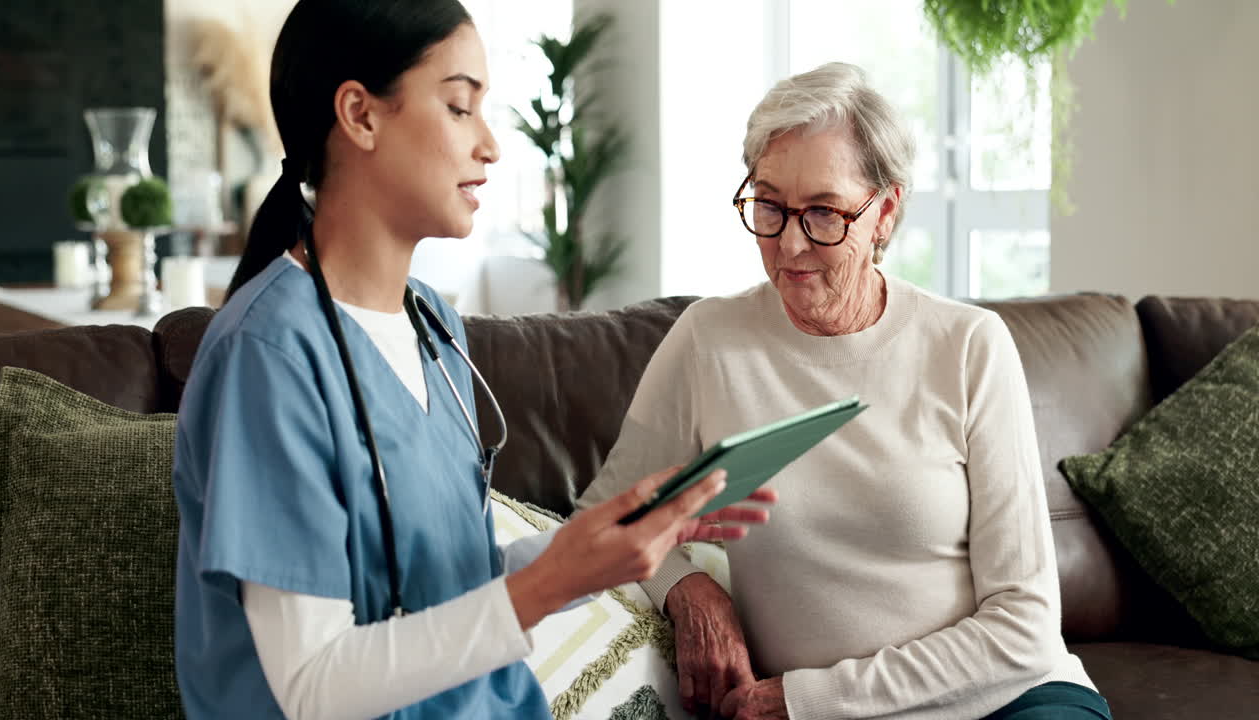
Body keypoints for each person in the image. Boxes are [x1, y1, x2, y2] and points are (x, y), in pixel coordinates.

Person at [171, 2, 772, 718]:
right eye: (460, 106)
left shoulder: (433, 325)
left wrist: (586, 552)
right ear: (360, 115)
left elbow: (453, 594)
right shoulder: (267, 357)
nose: (490, 145)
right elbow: (312, 687)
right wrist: (546, 584)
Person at [578, 62, 1112, 720]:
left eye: (824, 213)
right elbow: (605, 517)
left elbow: (1025, 625)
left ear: (884, 212)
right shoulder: (709, 341)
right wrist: (687, 588)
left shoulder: (969, 346)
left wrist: (809, 699)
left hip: (1004, 699)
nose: (790, 244)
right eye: (770, 205)